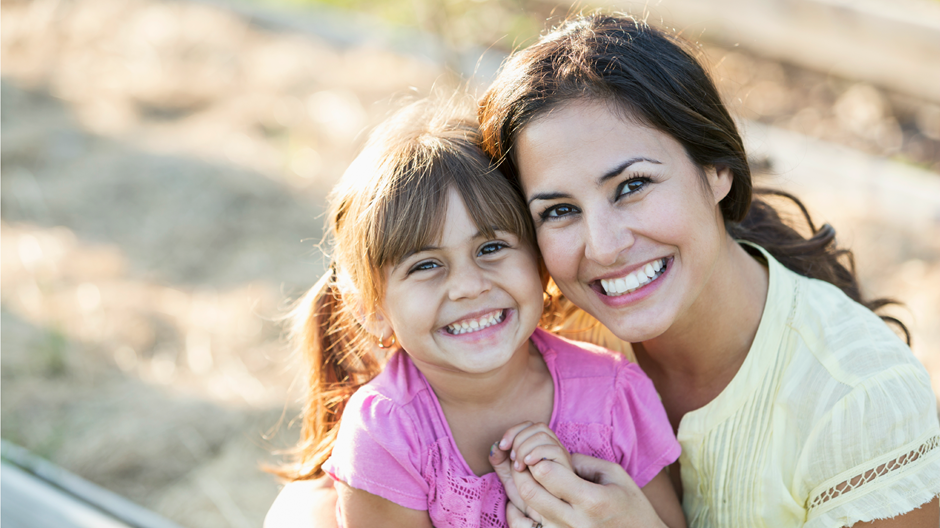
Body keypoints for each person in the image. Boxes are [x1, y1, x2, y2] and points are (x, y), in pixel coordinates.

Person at [474, 12, 940, 528]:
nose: (604, 248)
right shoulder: (533, 349)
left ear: (717, 169)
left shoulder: (857, 399)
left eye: (632, 186)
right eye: (559, 211)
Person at [267, 99, 686, 528]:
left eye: (491, 248)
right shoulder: (386, 435)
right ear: (371, 311)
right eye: (425, 265)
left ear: (541, 267)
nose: (469, 286)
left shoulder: (615, 394)